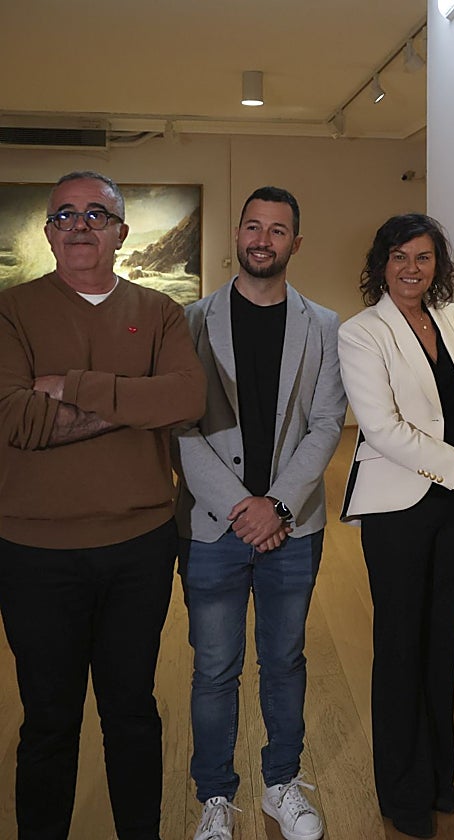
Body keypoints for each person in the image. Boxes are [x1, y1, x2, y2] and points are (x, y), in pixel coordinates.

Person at [0, 171, 205, 839]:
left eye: (96, 213)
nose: (80, 224)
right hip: (32, 554)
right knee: (49, 721)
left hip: (138, 547)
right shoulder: (10, 310)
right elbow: (18, 422)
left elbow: (186, 399)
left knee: (132, 713)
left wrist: (77, 389)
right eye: (65, 214)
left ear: (120, 231)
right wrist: (133, 400)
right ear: (49, 231)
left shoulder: (162, 311)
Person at [174, 187, 346, 840]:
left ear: (295, 244)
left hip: (293, 528)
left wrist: (275, 505)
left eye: (278, 230)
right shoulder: (189, 322)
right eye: (253, 226)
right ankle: (215, 797)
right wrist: (240, 507)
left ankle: (280, 784)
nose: (262, 239)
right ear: (237, 236)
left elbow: (328, 422)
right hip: (213, 528)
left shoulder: (324, 325)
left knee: (284, 660)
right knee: (214, 669)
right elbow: (180, 427)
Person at [338, 214, 454, 839]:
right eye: (402, 257)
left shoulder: (451, 318)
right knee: (401, 647)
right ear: (381, 262)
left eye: (426, 258)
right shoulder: (361, 332)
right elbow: (379, 428)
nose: (413, 269)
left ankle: (439, 776)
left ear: (439, 265)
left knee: (442, 641)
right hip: (397, 508)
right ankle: (402, 791)